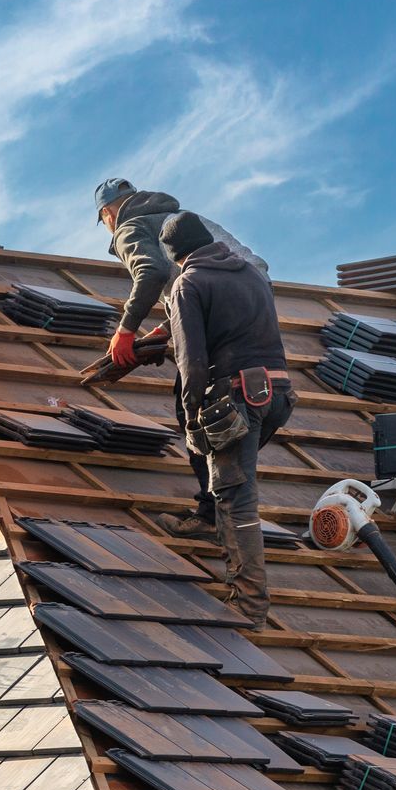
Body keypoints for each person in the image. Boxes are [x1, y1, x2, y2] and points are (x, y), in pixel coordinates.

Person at [92, 178, 268, 538]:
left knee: (196, 412)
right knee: (234, 415)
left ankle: (211, 515)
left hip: (219, 331)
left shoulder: (129, 226)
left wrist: (126, 330)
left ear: (108, 213)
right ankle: (228, 510)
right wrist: (169, 328)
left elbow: (152, 272)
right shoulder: (187, 218)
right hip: (255, 315)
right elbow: (245, 270)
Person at [160, 209, 293, 628]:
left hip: (235, 397)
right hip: (278, 394)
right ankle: (211, 527)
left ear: (175, 255)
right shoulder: (251, 275)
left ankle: (249, 605)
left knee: (236, 495)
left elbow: (192, 362)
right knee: (231, 482)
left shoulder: (188, 283)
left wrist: (192, 421)